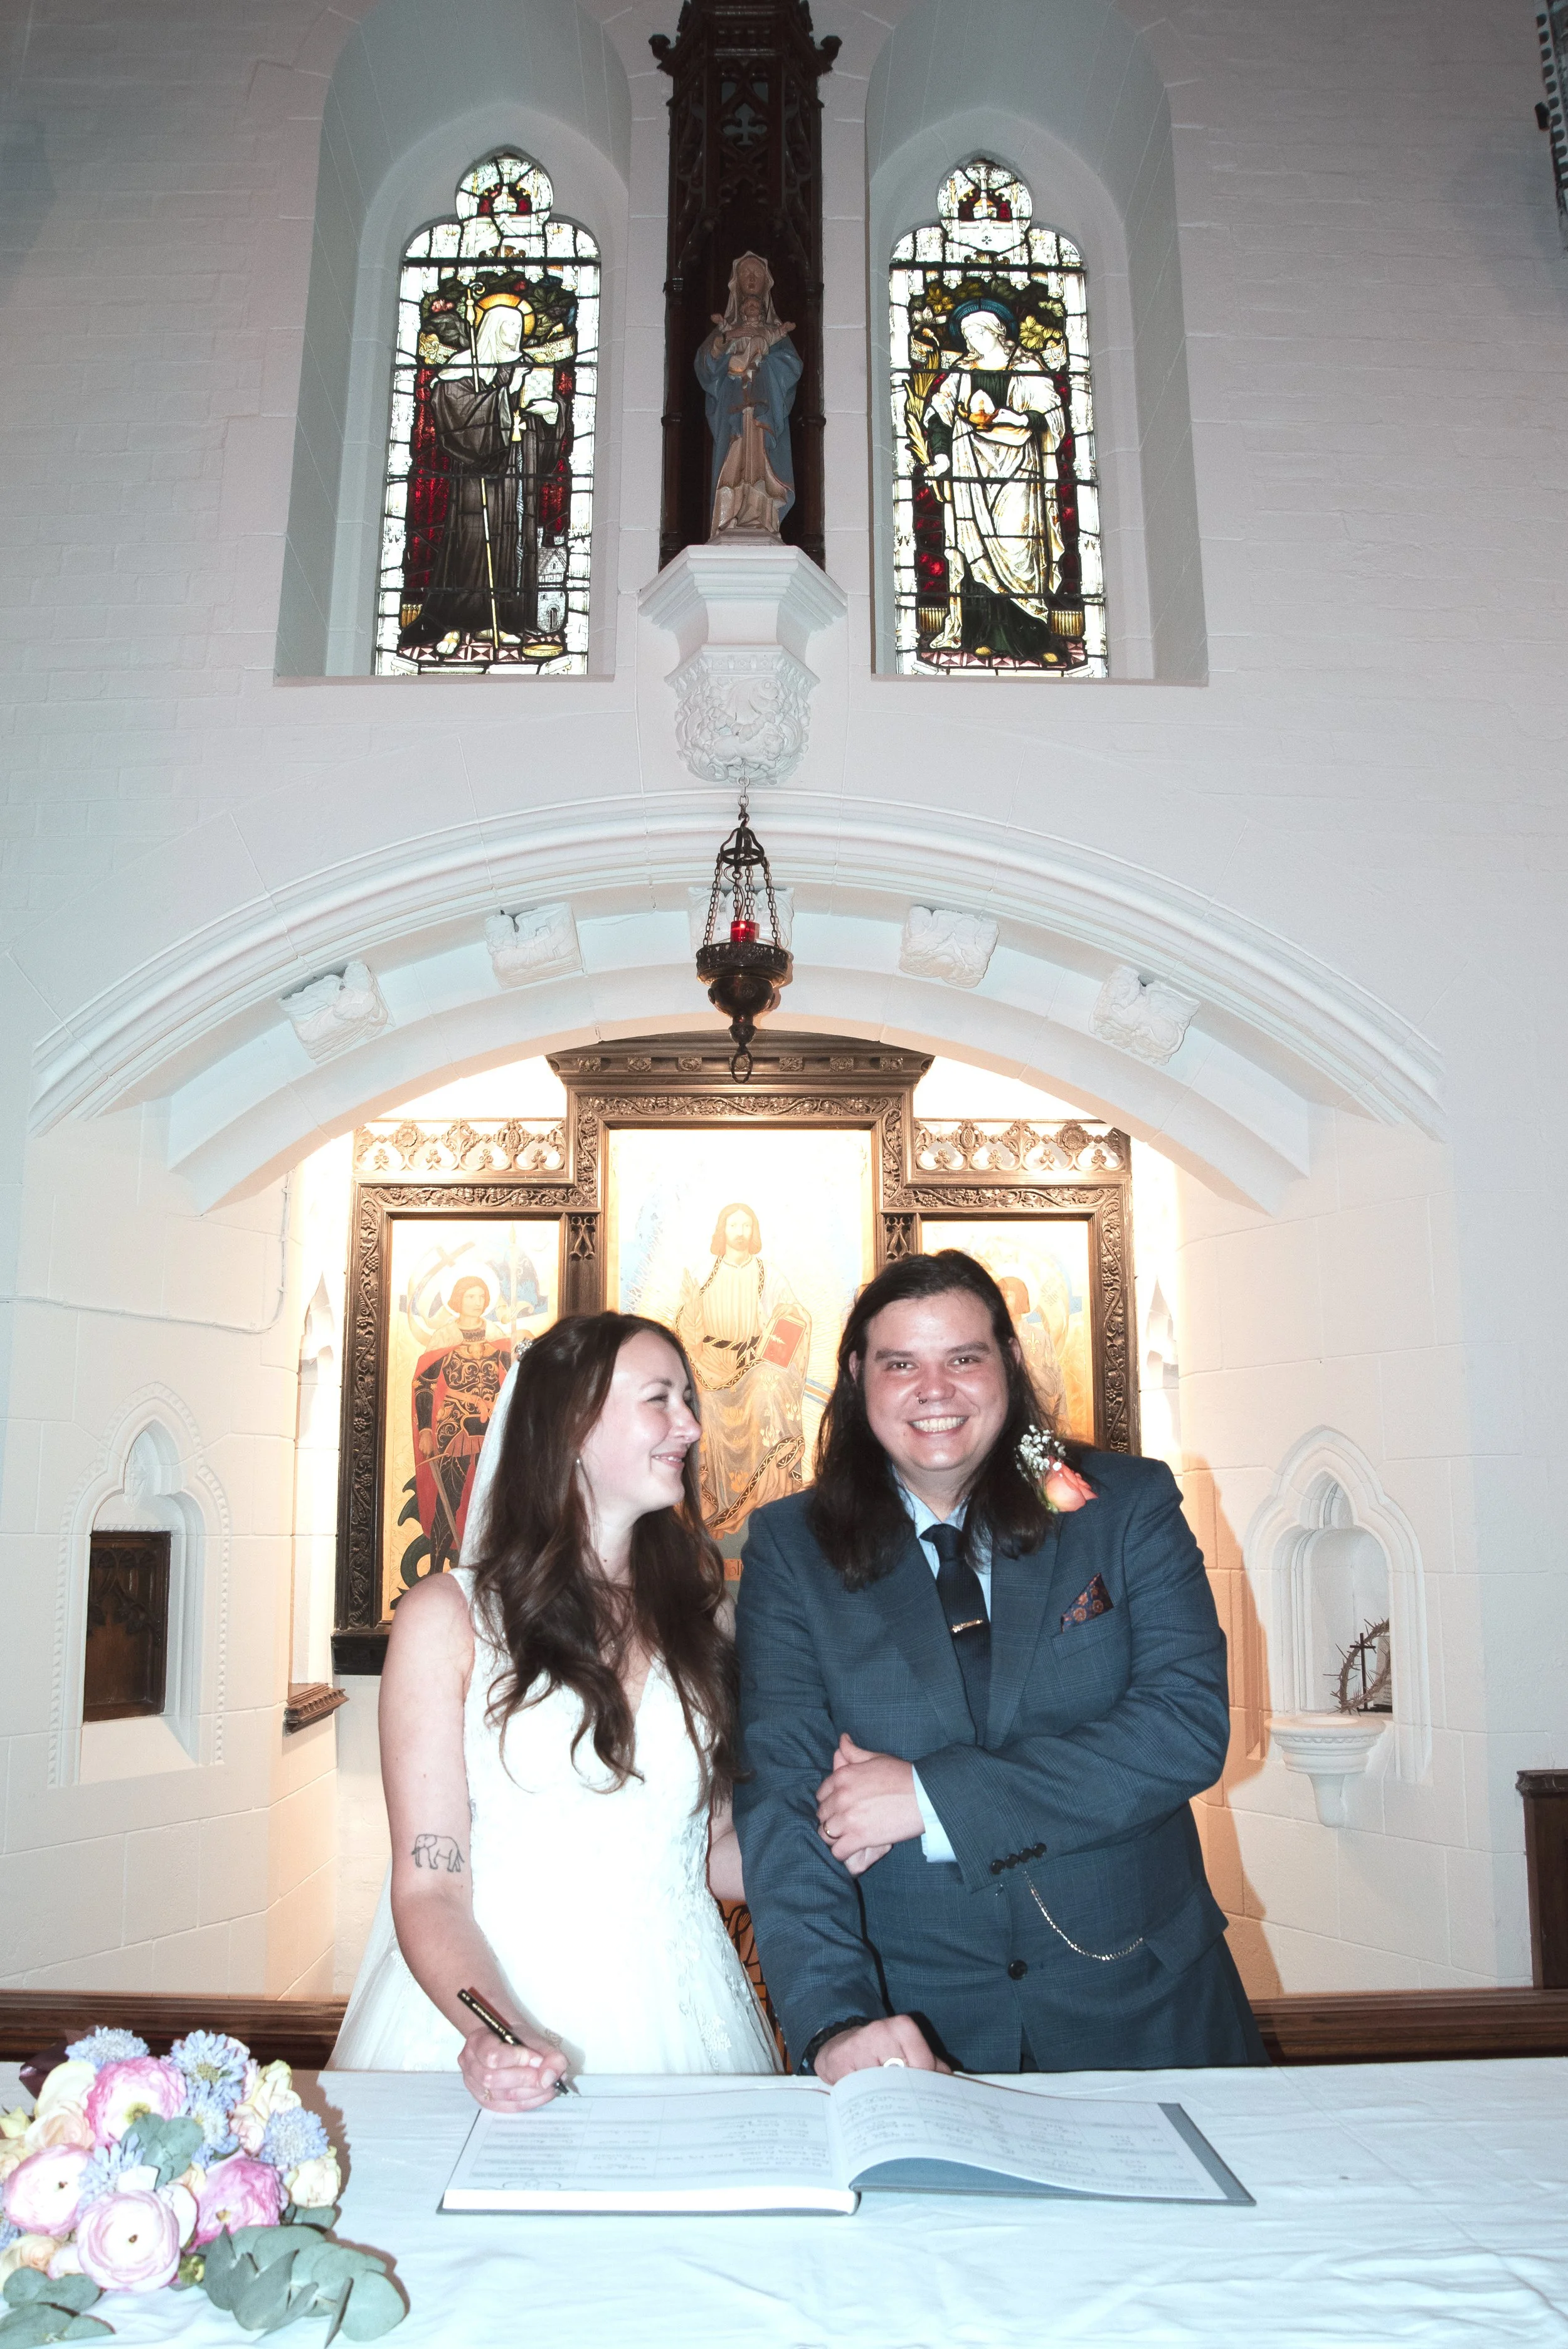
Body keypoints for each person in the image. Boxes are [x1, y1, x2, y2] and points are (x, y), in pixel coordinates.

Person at [733, 1249, 1264, 2081]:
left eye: (964, 1358)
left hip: (1147, 2009)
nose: (933, 1389)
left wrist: (928, 1797)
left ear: (1010, 1364)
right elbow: (787, 1800)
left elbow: (1182, 1728)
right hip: (914, 2030)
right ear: (855, 1376)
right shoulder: (791, 1547)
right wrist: (836, 2022)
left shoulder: (1120, 1504)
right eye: (901, 1363)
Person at [332, 1313, 780, 2100]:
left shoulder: (706, 1618)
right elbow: (430, 1884)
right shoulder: (449, 1618)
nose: (689, 1424)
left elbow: (706, 1847)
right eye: (660, 1399)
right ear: (573, 1425)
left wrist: (854, 1839)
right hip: (497, 1993)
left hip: (680, 2008)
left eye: (686, 1399)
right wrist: (499, 2033)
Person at [921, 299, 1069, 664]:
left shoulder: (1027, 367)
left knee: (1020, 545)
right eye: (968, 333)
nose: (973, 339)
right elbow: (938, 415)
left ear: (998, 331)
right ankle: (984, 633)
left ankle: (1036, 637)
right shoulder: (961, 371)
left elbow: (1051, 413)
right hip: (971, 469)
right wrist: (941, 457)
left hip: (1019, 469)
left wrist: (1022, 421)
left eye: (979, 331)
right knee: (977, 548)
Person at [674, 1202, 810, 1546]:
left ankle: (770, 1503)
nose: (740, 1231)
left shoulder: (768, 1273)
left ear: (755, 1232)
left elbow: (793, 1314)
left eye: (746, 1225)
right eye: (733, 1225)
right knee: (701, 1407)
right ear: (722, 1231)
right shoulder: (702, 1270)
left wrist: (773, 1340)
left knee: (770, 1390)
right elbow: (685, 1323)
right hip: (709, 1365)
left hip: (755, 1363)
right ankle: (708, 1513)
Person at [409, 1275, 514, 1572]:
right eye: (471, 1296)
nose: (477, 1302)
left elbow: (517, 1378)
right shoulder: (445, 1336)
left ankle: (495, 1565)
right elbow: (425, 1384)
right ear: (457, 1299)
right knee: (450, 1497)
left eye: (481, 1296)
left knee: (494, 1495)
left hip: (492, 1423)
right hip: (454, 1423)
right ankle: (435, 1569)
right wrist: (427, 1430)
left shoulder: (496, 1333)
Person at [694, 253, 802, 540]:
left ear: (766, 285)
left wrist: (761, 368)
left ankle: (761, 515)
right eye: (746, 274)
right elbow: (705, 365)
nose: (751, 279)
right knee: (735, 457)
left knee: (759, 455)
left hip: (762, 413)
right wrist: (720, 352)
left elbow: (792, 365)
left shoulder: (771, 332)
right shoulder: (728, 330)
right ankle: (730, 515)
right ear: (737, 285)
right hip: (733, 412)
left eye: (756, 273)